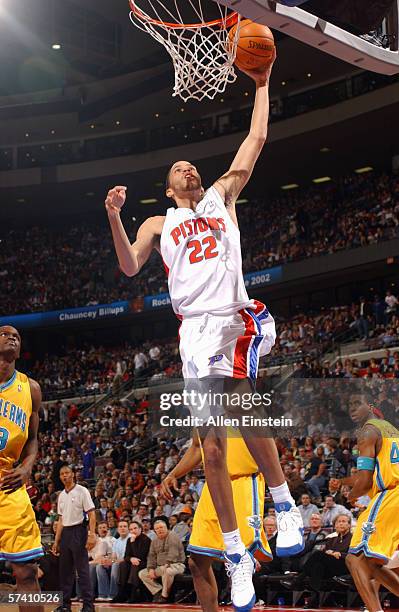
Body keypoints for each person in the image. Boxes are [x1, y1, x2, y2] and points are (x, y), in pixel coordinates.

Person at [105, 46, 303, 612]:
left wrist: (262, 84)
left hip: (230, 316)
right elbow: (127, 266)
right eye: (178, 169)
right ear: (169, 188)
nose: (188, 168)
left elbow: (255, 141)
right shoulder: (158, 222)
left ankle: (285, 502)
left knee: (240, 402)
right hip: (191, 332)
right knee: (212, 451)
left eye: (192, 165)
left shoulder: (221, 197)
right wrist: (116, 217)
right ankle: (238, 555)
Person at [162, 430, 272, 612]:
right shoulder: (201, 406)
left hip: (242, 479)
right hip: (213, 486)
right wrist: (173, 474)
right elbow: (198, 446)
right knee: (196, 562)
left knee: (239, 563)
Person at [338, 396, 399, 612]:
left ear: (371, 406)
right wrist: (347, 482)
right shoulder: (390, 429)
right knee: (373, 563)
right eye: (350, 405)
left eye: (357, 404)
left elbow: (364, 482)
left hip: (391, 496)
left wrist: (351, 495)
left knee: (355, 558)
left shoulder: (367, 431)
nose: (351, 408)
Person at [0, 326, 45, 612]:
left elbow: (33, 440)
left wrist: (28, 466)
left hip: (8, 484)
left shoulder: (31, 388)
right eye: (4, 333)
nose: (12, 336)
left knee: (27, 571)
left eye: (16, 335)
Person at [281, 513, 352, 606]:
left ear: (349, 525)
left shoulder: (353, 538)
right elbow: (325, 551)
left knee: (317, 554)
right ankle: (314, 598)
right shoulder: (332, 539)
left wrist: (340, 554)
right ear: (335, 525)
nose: (341, 524)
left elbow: (354, 555)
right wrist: (328, 552)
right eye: (339, 522)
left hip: (345, 565)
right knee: (318, 567)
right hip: (330, 566)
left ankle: (298, 580)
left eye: (344, 522)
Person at [52, 465, 96, 612]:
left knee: (82, 571)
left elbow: (91, 514)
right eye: (62, 474)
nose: (64, 476)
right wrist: (56, 541)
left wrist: (92, 534)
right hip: (65, 534)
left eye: (67, 473)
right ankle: (65, 605)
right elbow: (60, 520)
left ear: (73, 474)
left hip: (79, 531)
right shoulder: (61, 495)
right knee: (64, 572)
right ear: (60, 477)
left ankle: (89, 606)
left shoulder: (82, 491)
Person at [138, 519, 185, 603]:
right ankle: (158, 591)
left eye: (161, 527)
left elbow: (173, 552)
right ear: (154, 530)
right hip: (160, 567)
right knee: (142, 573)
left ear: (166, 527)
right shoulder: (154, 541)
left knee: (168, 571)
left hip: (176, 565)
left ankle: (164, 596)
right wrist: (151, 568)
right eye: (157, 528)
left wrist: (167, 563)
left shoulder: (172, 536)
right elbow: (151, 556)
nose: (160, 530)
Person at [113, 520, 151, 603]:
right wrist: (130, 559)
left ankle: (134, 594)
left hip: (144, 563)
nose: (133, 531)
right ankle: (122, 592)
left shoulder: (146, 539)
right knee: (123, 564)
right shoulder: (129, 539)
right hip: (133, 562)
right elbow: (126, 556)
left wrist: (133, 543)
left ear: (140, 529)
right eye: (131, 529)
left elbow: (141, 556)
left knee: (135, 565)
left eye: (135, 528)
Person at [96, 519, 129, 601]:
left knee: (115, 565)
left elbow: (127, 556)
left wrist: (113, 561)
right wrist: (108, 561)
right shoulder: (117, 541)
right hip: (116, 562)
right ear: (117, 529)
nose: (122, 528)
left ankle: (113, 594)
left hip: (125, 563)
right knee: (100, 567)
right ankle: (103, 594)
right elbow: (114, 556)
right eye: (120, 527)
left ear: (128, 528)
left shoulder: (130, 539)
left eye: (125, 526)